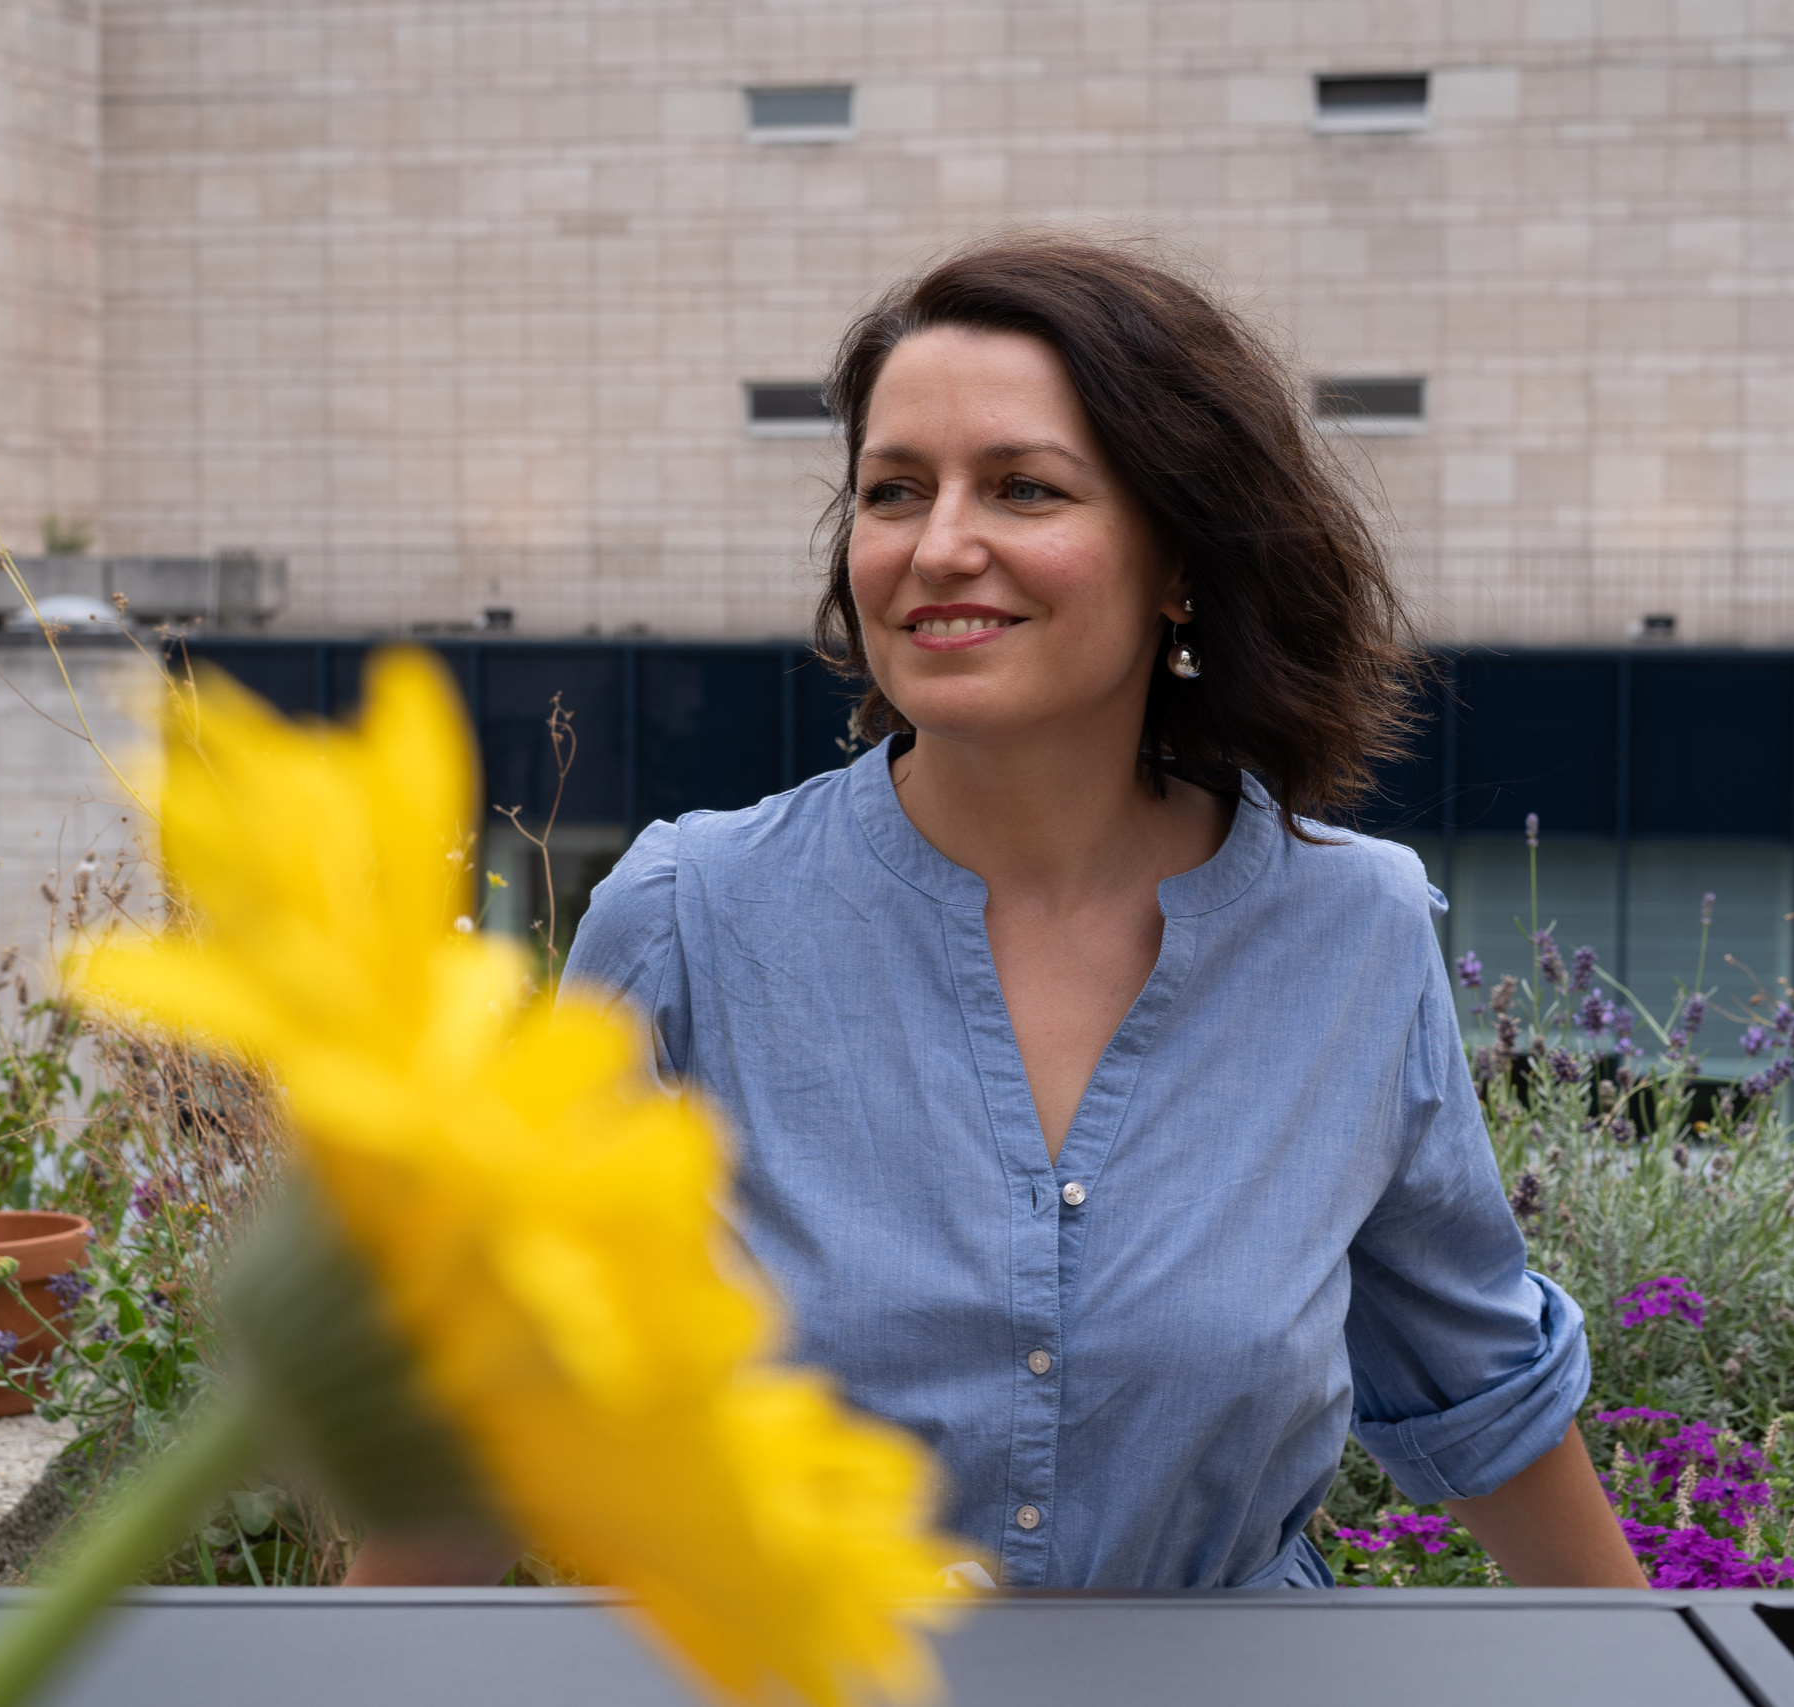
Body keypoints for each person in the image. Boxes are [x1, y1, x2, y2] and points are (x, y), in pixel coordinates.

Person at [355, 233, 1645, 1590]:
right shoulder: (685, 920)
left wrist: (1670, 1676)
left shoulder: (1351, 931)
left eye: (1025, 488)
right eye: (894, 492)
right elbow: (507, 1392)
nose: (940, 547)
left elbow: (1476, 1385)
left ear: (1181, 560)